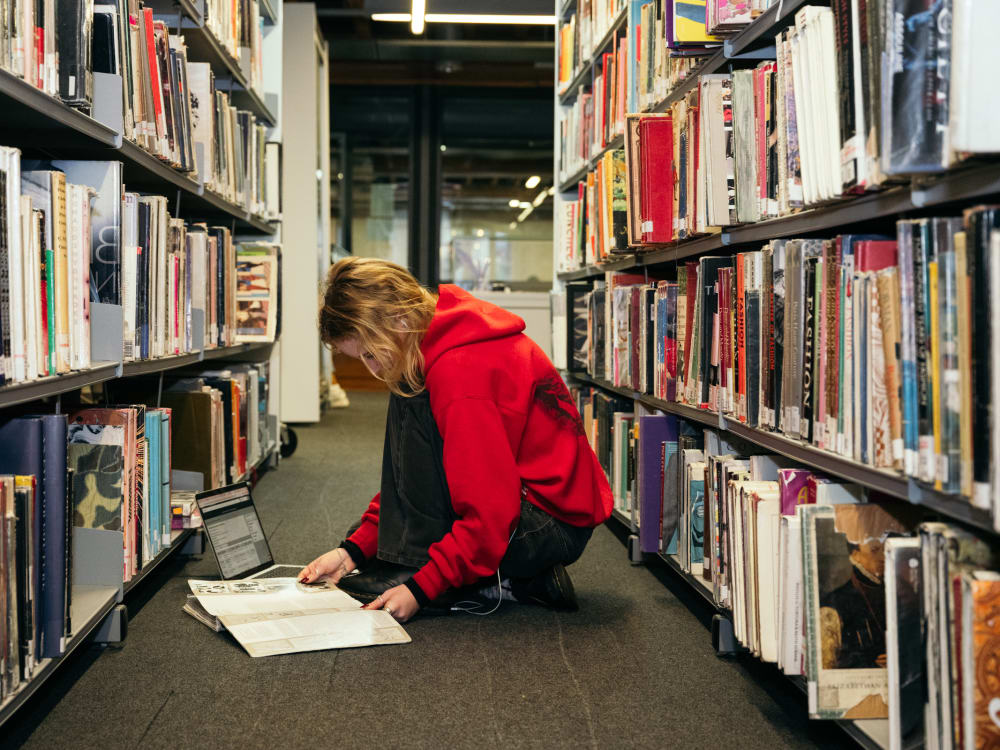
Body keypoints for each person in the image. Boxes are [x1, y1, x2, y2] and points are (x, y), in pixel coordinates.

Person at [297, 257, 612, 623]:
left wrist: (422, 587)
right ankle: (513, 581)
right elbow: (412, 477)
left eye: (370, 353)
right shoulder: (438, 334)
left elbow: (491, 513)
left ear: (399, 320)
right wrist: (353, 551)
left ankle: (449, 571)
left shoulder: (460, 374)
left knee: (407, 389)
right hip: (533, 507)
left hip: (546, 525)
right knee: (406, 384)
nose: (373, 369)